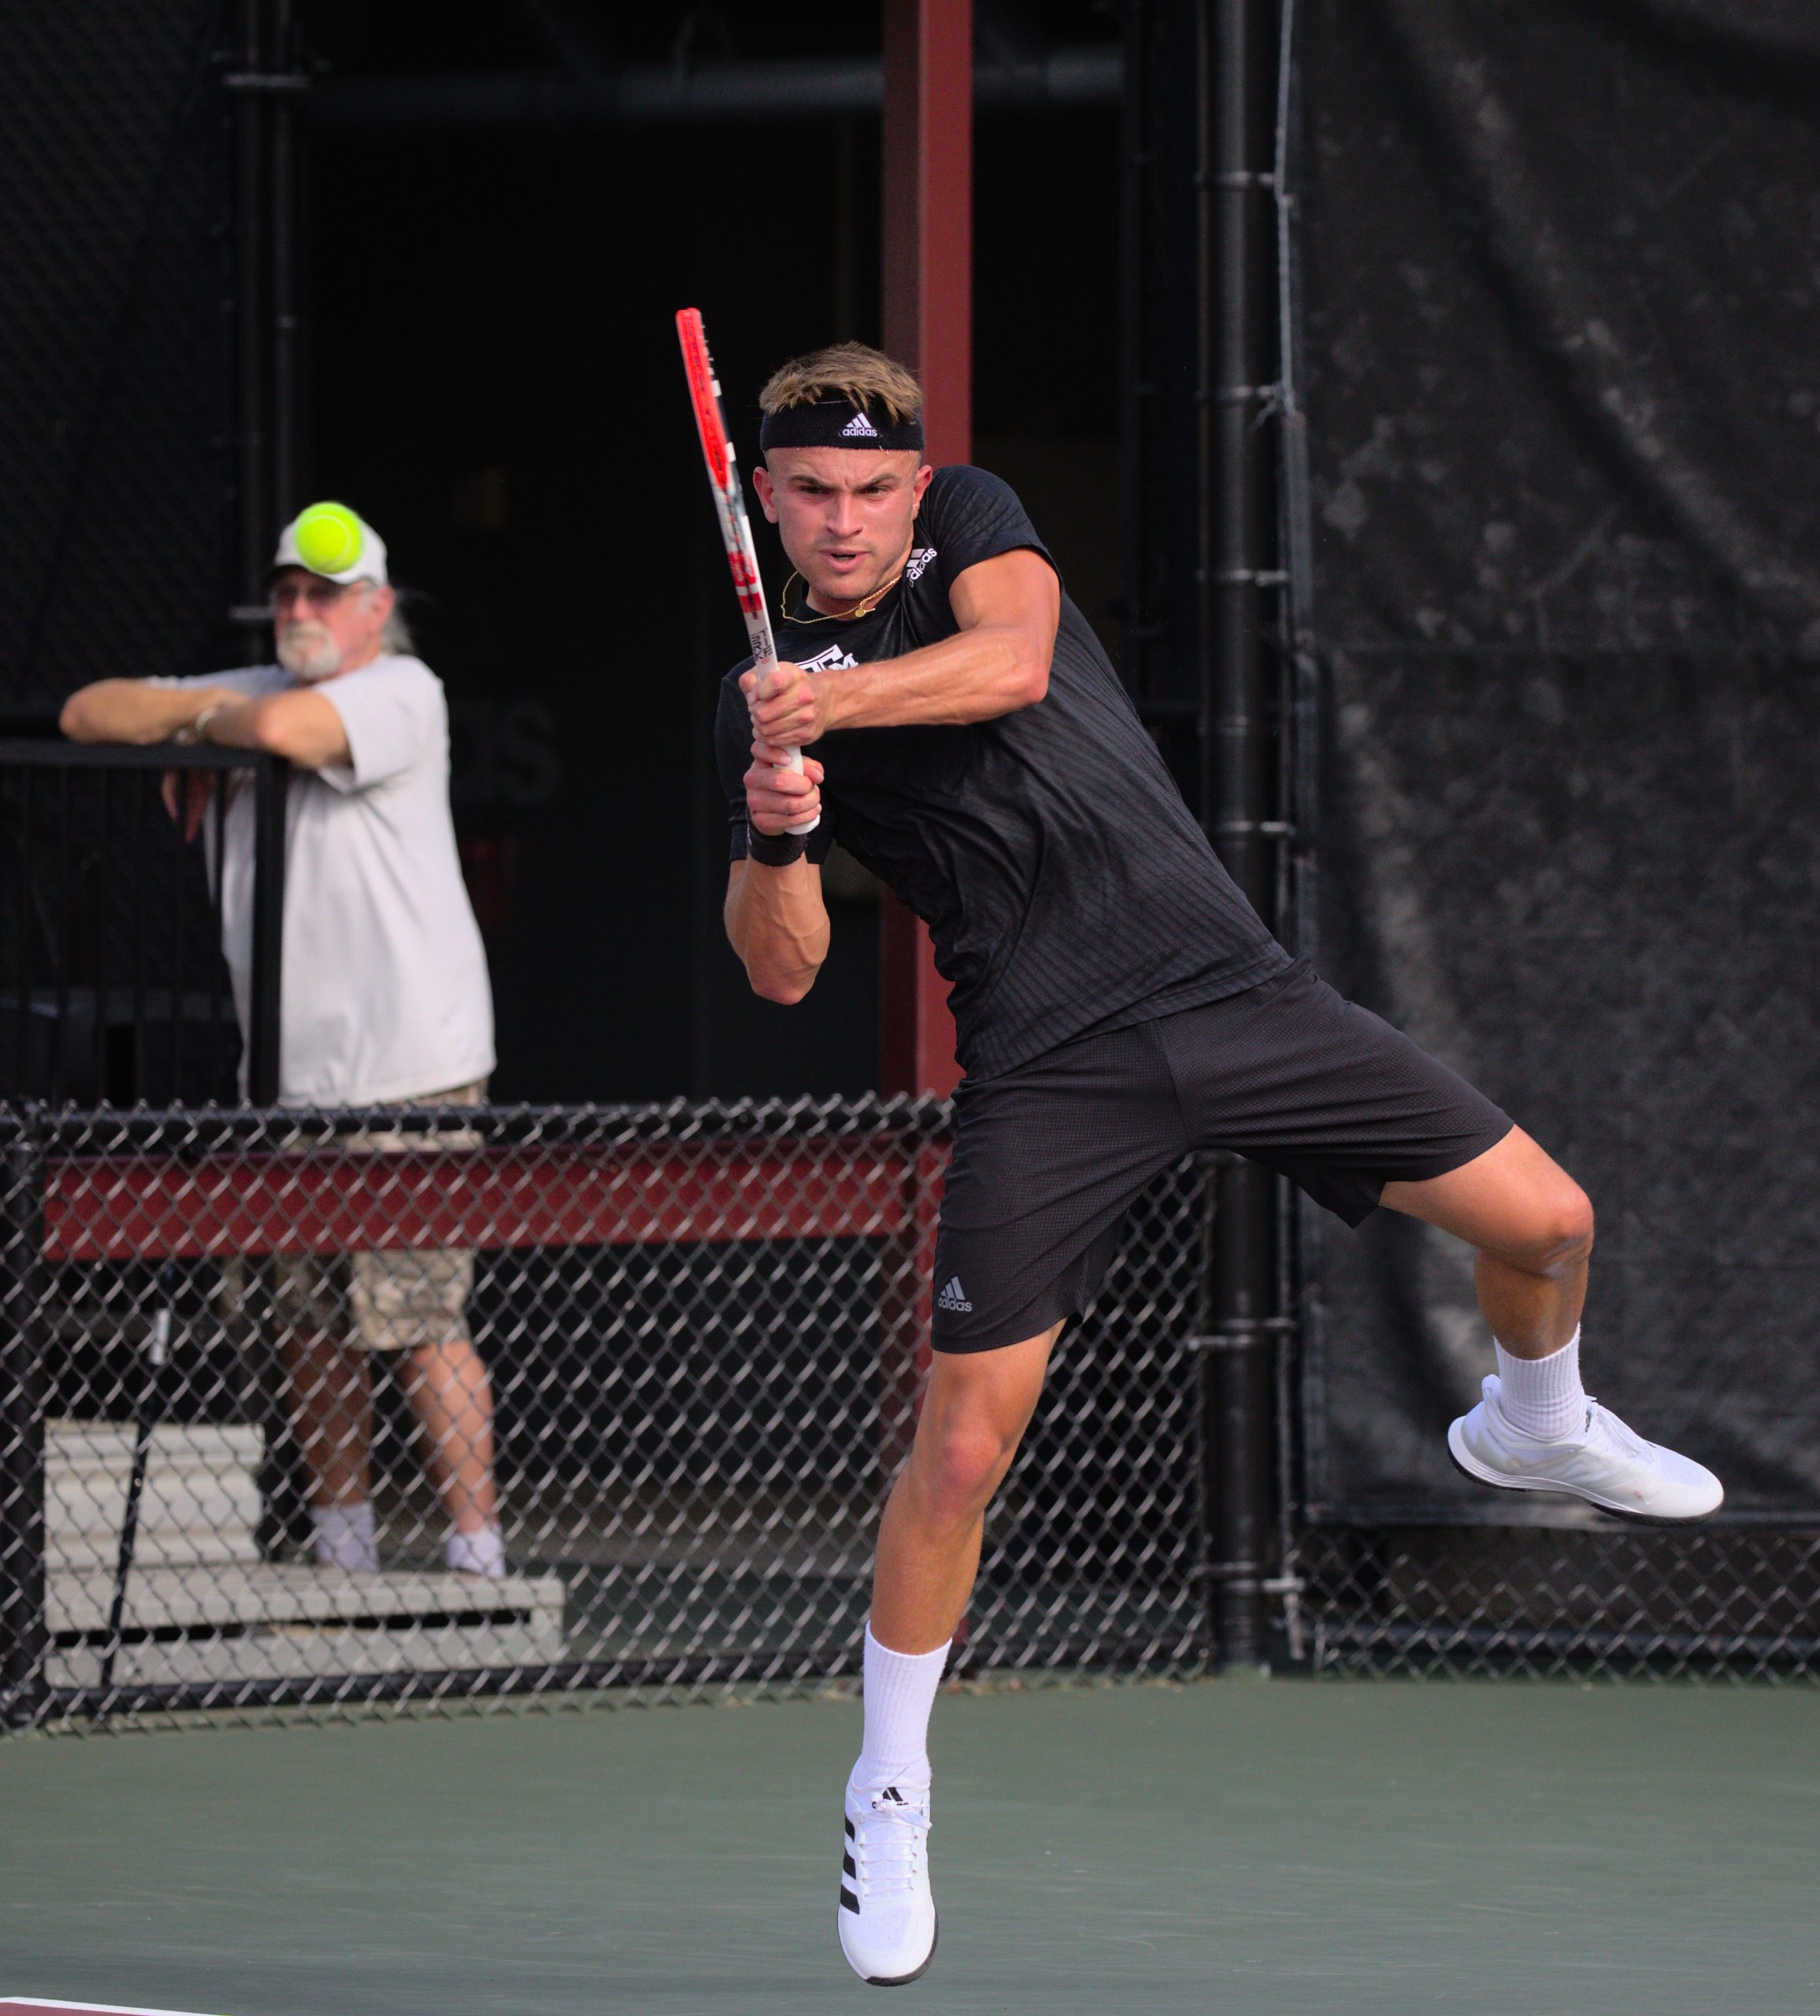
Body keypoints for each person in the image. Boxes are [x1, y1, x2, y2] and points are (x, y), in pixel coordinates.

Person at [717, 343, 1723, 1986]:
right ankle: (885, 1784)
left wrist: (827, 696)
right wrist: (774, 822)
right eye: (812, 493)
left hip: (1234, 994)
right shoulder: (753, 694)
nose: (843, 519)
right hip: (1048, 1065)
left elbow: (1015, 661)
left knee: (1548, 1221)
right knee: (960, 1450)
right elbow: (778, 965)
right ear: (766, 496)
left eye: (871, 489)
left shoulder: (969, 528)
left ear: (917, 485)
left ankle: (1529, 1420)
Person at [58, 504, 506, 1581]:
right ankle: (341, 1543)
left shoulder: (404, 690)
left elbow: (281, 737)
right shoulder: (252, 688)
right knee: (307, 1322)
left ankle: (476, 1552)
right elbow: (85, 712)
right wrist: (214, 714)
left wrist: (204, 725)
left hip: (411, 1074)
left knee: (417, 1316)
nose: (301, 610)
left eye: (325, 593)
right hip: (289, 1084)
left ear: (376, 609)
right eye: (290, 592)